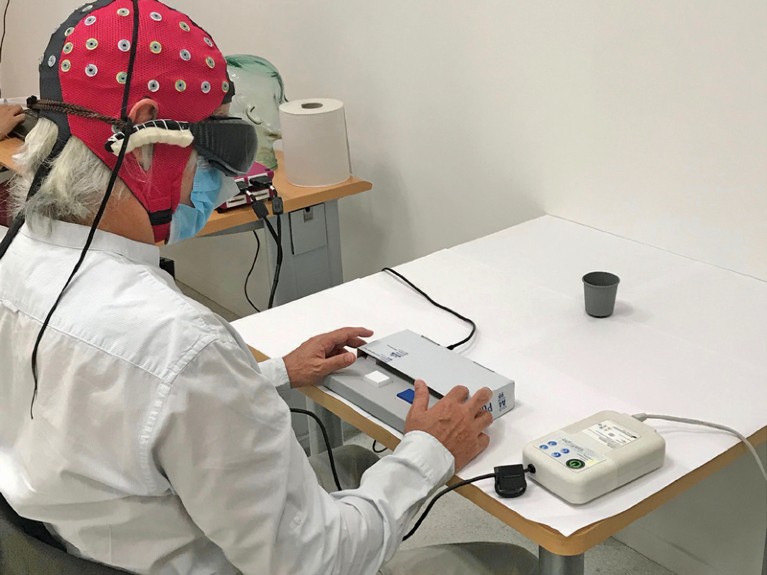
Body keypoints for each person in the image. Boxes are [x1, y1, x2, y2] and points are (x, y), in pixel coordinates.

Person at [0, 2, 536, 574]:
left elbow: (121, 402)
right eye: (211, 151)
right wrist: (434, 450)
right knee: (508, 562)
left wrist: (269, 375)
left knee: (355, 462)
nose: (217, 181)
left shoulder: (14, 258)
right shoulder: (180, 342)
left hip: (77, 540)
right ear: (146, 138)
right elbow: (318, 562)